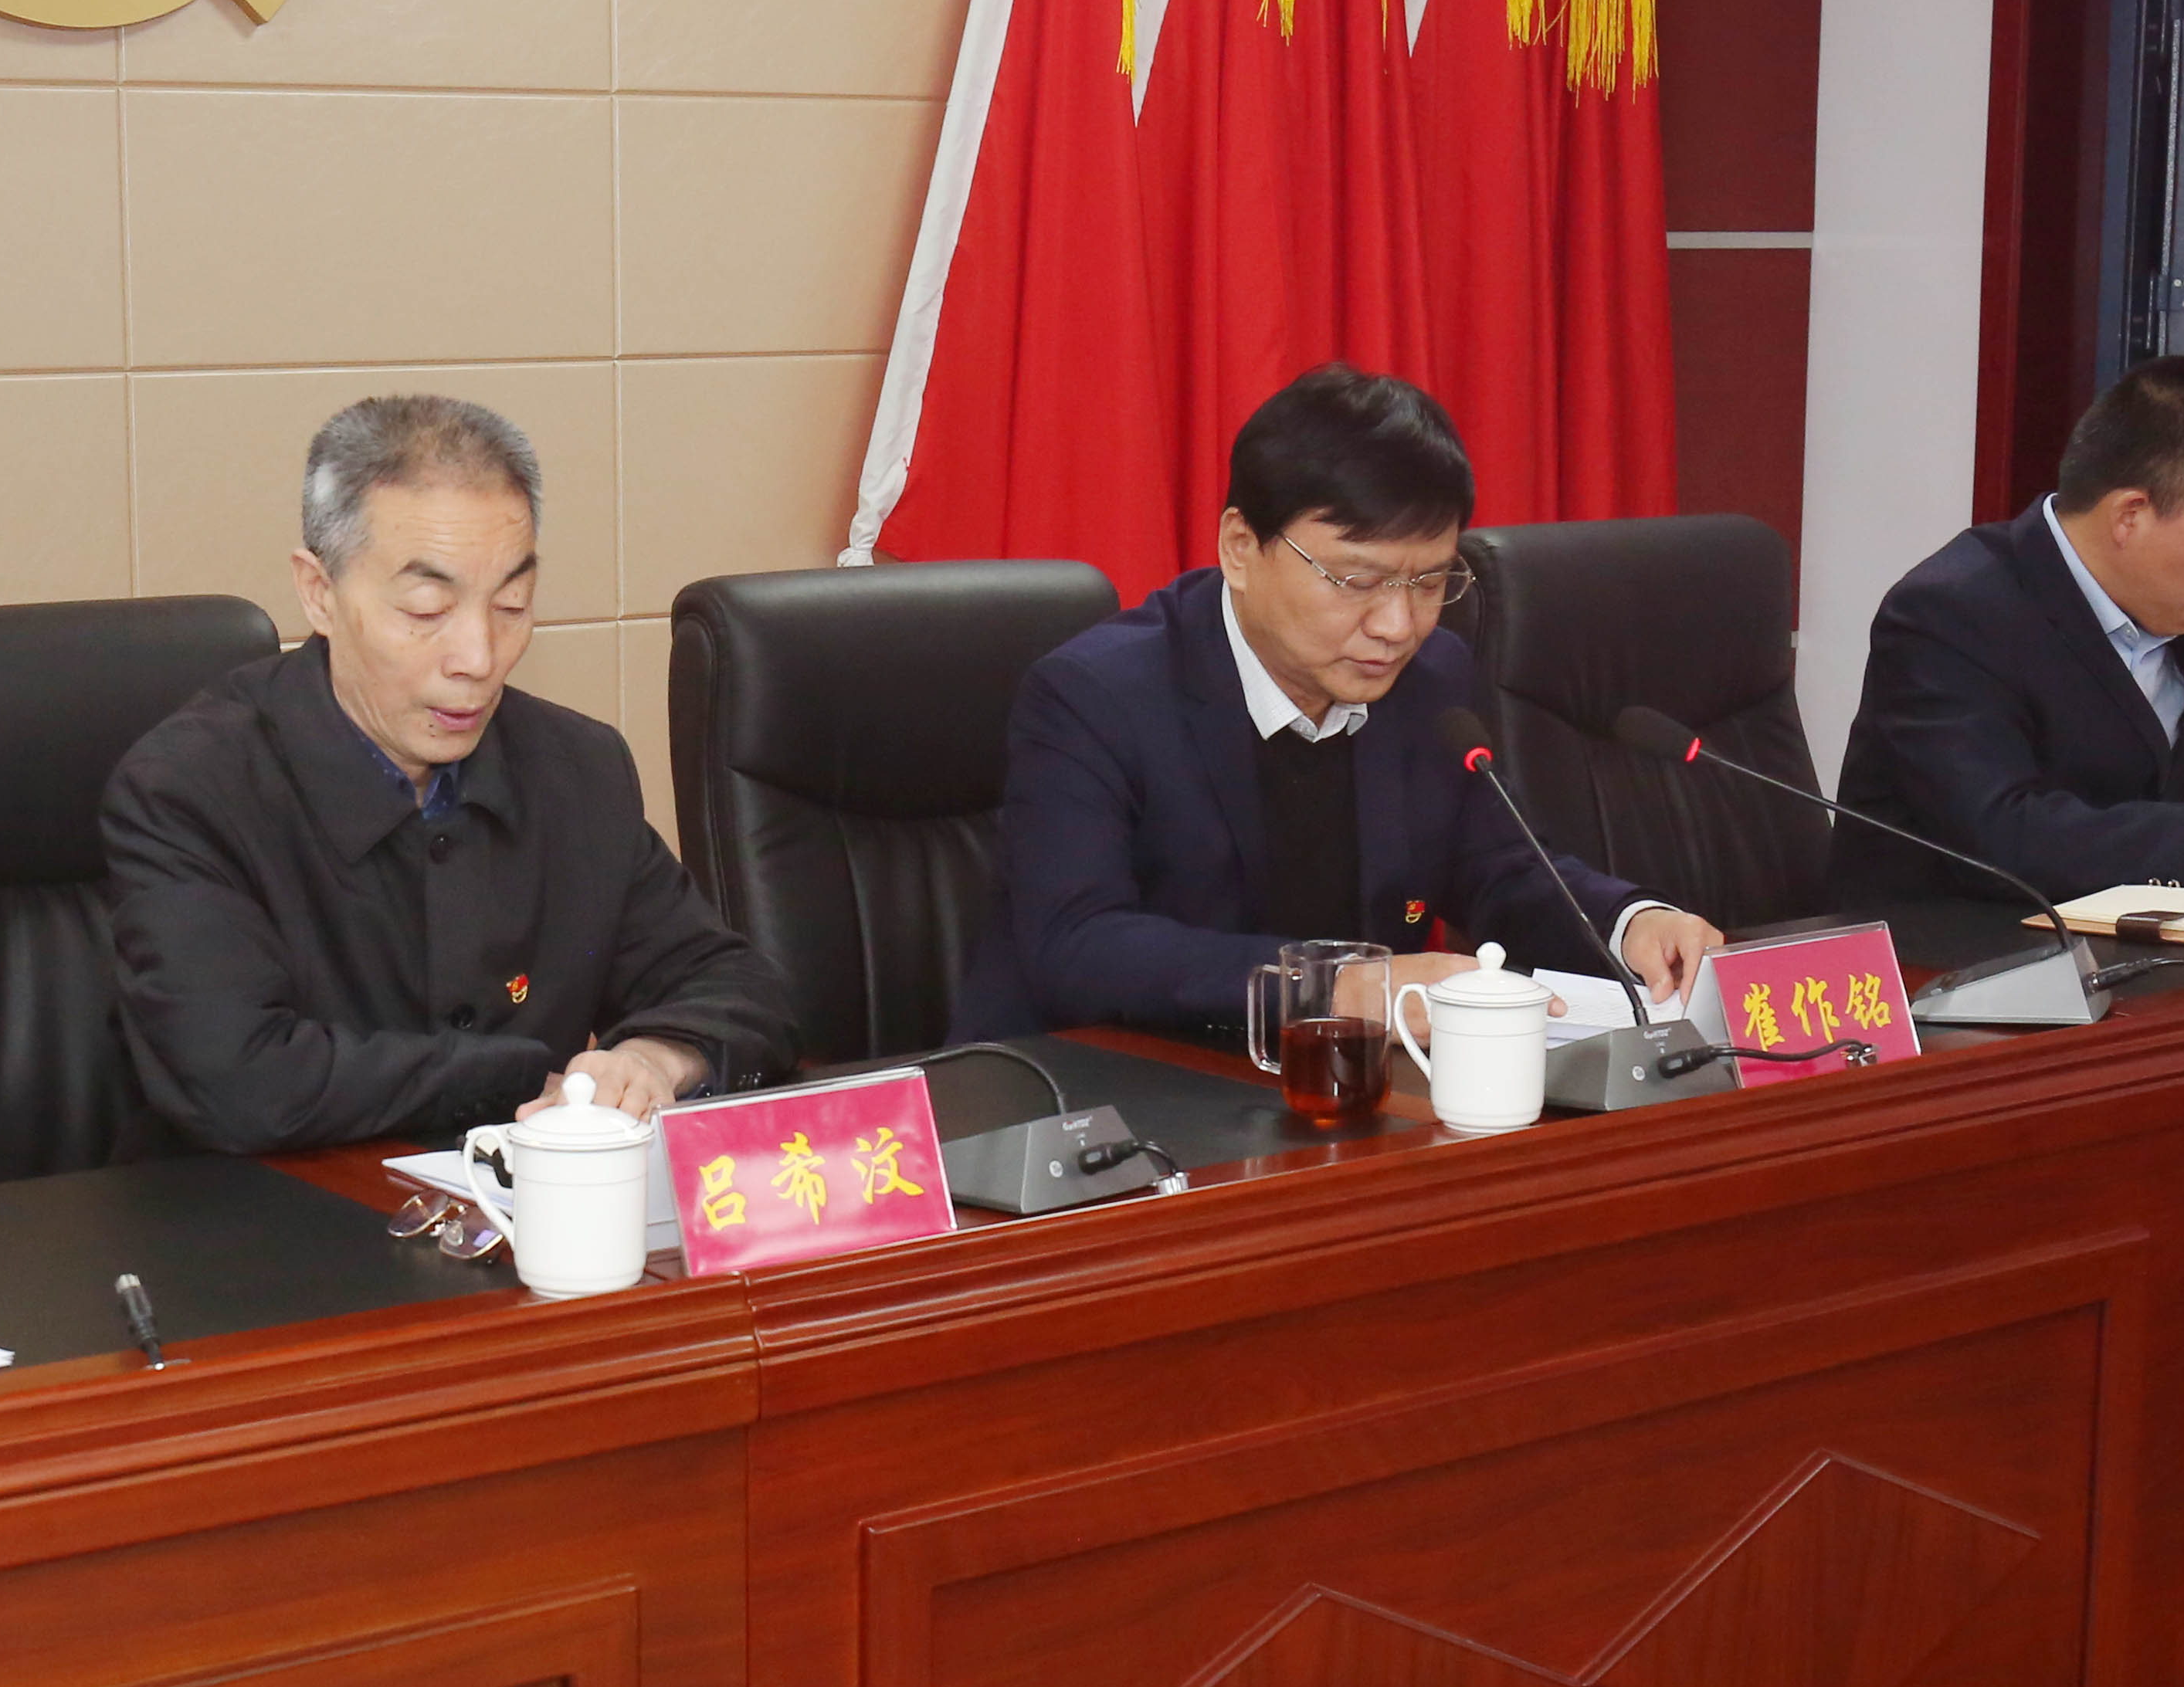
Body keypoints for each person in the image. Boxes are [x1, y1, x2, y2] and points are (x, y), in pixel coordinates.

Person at [103, 394, 793, 1151]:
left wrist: (655, 1059)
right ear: (319, 594)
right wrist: (524, 1077)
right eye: (427, 610)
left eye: (512, 604)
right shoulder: (191, 788)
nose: (479, 657)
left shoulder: (577, 769)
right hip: (272, 1214)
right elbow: (238, 1080)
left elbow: (737, 986)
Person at [960, 366, 1725, 1039]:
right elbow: (1078, 946)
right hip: (1102, 1097)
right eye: (1357, 581)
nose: (1397, 626)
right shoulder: (1095, 696)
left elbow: (1499, 868)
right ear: (1240, 549)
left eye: (1429, 582)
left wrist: (1630, 923)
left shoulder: (1431, 678)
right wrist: (1330, 987)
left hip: (1335, 1094)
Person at [1832, 354, 2184, 905]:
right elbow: (2003, 836)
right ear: (2131, 515)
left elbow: (2130, 786)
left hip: (2102, 942)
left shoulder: (2158, 605)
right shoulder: (1950, 612)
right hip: (1942, 953)